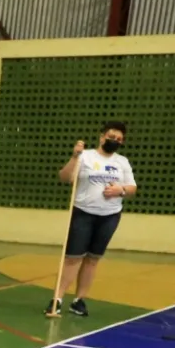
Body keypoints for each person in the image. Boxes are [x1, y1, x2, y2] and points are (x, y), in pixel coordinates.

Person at [49, 123, 137, 317]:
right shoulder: (85, 156)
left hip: (110, 216)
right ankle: (57, 299)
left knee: (93, 259)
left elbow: (132, 188)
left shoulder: (122, 161)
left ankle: (79, 300)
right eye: (111, 137)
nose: (114, 141)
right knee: (73, 258)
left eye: (119, 139)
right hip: (83, 212)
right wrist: (74, 156)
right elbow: (65, 177)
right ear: (102, 137)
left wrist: (119, 190)